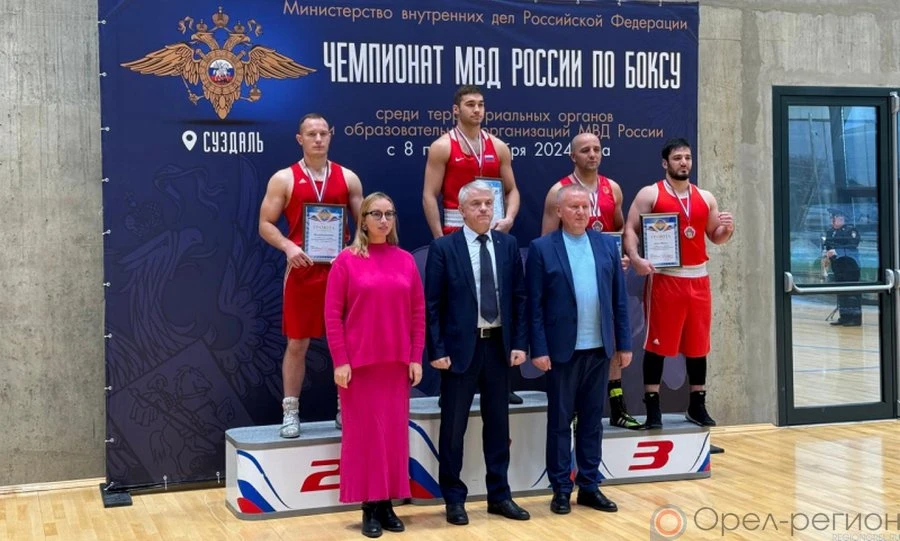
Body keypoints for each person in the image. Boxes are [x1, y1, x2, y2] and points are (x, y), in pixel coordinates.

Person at [424, 180, 530, 525]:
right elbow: (432, 304)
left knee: (498, 426)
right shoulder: (444, 247)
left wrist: (519, 343)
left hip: (498, 347)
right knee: (453, 429)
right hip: (459, 351)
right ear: (461, 210)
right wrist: (437, 349)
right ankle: (454, 499)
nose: (484, 209)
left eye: (488, 203)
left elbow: (519, 298)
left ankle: (499, 495)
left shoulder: (507, 244)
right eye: (476, 204)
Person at [324, 193, 425, 538]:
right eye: (376, 214)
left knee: (393, 437)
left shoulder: (405, 261)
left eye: (389, 214)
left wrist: (415, 357)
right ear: (363, 220)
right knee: (365, 438)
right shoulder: (346, 261)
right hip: (360, 368)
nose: (384, 220)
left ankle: (386, 504)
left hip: (395, 366)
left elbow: (418, 313)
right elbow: (332, 316)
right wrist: (341, 361)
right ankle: (369, 506)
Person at [528, 184, 632, 515]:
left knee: (592, 422)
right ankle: (561, 489)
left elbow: (619, 299)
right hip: (562, 351)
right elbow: (535, 305)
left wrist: (624, 343)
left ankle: (589, 485)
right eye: (573, 207)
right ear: (559, 211)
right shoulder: (542, 248)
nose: (581, 212)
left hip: (599, 349)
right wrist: (538, 349)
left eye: (585, 207)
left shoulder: (606, 245)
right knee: (560, 422)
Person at [258, 113, 363, 438]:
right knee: (297, 343)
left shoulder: (348, 178)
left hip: (340, 270)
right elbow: (265, 224)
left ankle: (346, 407)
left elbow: (365, 222)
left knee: (345, 342)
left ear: (331, 135)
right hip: (302, 271)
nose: (318, 139)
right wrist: (288, 246)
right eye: (311, 134)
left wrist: (354, 247)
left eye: (323, 133)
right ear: (299, 138)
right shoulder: (283, 179)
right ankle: (290, 412)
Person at [623, 138, 734, 429]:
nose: (683, 162)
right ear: (665, 163)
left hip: (699, 278)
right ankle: (653, 408)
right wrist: (635, 258)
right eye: (677, 158)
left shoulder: (705, 197)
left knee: (698, 345)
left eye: (687, 157)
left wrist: (727, 229)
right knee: (657, 345)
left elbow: (716, 236)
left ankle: (697, 405)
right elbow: (630, 229)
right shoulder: (651, 193)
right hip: (666, 278)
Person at [423, 84, 524, 405]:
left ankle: (503, 382)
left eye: (480, 104)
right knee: (455, 307)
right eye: (470, 104)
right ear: (456, 109)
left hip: (492, 229)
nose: (477, 109)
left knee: (499, 299)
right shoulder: (442, 146)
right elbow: (429, 195)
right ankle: (450, 383)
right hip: (455, 231)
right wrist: (440, 238)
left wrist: (508, 218)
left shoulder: (498, 146)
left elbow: (512, 189)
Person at [541, 132, 641, 430]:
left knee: (609, 337)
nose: (593, 154)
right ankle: (572, 410)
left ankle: (618, 406)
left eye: (597, 149)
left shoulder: (613, 188)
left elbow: (621, 231)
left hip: (604, 274)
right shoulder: (558, 191)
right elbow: (547, 240)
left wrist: (623, 256)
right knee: (578, 338)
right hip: (572, 278)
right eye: (585, 150)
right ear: (573, 156)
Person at [823, 208, 861, 326]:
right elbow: (827, 245)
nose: (832, 220)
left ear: (842, 218)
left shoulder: (850, 230)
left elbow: (853, 246)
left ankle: (855, 318)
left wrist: (837, 251)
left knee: (851, 293)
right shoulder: (830, 231)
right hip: (838, 266)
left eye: (835, 218)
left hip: (850, 265)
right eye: (832, 218)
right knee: (841, 292)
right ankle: (844, 317)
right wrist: (826, 254)